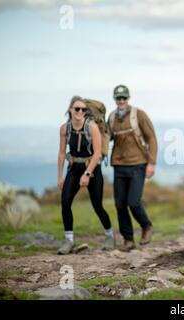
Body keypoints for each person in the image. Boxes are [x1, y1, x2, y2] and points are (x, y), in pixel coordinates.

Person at [57, 96, 115, 254]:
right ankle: (69, 240)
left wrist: (87, 174)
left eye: (83, 109)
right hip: (74, 168)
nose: (80, 111)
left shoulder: (92, 127)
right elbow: (62, 153)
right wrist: (60, 176)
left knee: (97, 206)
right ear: (70, 110)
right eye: (77, 109)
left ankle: (110, 235)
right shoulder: (65, 128)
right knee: (65, 202)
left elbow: (97, 154)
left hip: (92, 170)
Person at [108, 85, 158, 251]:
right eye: (118, 98)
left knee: (134, 202)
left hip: (138, 164)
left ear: (128, 98)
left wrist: (151, 163)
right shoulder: (112, 117)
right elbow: (106, 137)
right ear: (114, 99)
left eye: (124, 98)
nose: (121, 101)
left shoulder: (139, 115)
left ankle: (146, 226)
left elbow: (151, 138)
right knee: (120, 205)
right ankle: (128, 240)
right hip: (118, 165)